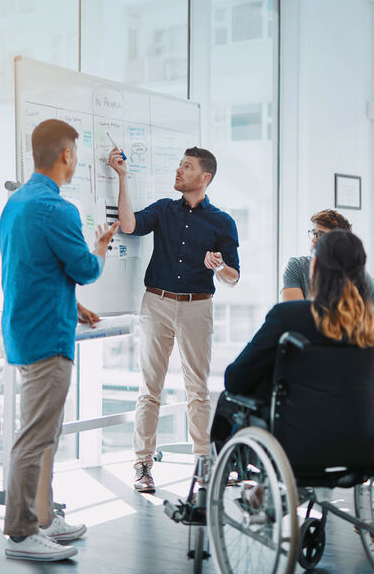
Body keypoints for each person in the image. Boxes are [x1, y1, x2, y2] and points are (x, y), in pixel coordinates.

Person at [0, 119, 119, 561]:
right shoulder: (58, 210)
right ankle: (22, 532)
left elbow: (33, 270)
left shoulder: (17, 203)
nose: (77, 160)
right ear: (66, 154)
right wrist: (102, 246)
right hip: (47, 336)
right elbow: (85, 269)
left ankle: (44, 517)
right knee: (35, 436)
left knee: (43, 434)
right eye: (76, 152)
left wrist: (76, 307)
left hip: (26, 326)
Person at [108, 146, 240, 493]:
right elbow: (130, 224)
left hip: (198, 306)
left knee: (197, 389)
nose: (179, 171)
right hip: (157, 303)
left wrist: (219, 267)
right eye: (179, 165)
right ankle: (142, 465)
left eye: (187, 166)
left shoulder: (222, 222)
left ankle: (204, 464)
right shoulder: (165, 210)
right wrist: (122, 177)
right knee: (149, 388)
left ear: (205, 177)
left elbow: (233, 276)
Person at [223, 229, 374, 404]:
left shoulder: (287, 316)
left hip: (298, 427)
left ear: (314, 264)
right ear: (361, 273)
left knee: (228, 403)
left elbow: (236, 380)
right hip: (362, 426)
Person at [281, 208, 374, 320]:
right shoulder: (296, 267)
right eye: (314, 233)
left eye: (320, 235)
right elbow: (295, 318)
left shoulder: (357, 274)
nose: (313, 240)